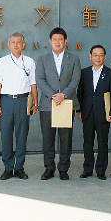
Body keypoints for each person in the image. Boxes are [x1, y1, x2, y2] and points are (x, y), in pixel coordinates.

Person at [0, 33, 38, 180]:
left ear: (23, 45)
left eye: (19, 42)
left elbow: (33, 84)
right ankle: (8, 167)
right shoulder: (2, 62)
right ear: (8, 44)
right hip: (6, 101)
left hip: (23, 101)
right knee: (6, 135)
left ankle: (19, 168)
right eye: (13, 42)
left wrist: (35, 103)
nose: (16, 44)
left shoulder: (29, 61)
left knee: (22, 135)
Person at [36, 27, 81, 181]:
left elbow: (76, 79)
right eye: (54, 39)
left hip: (66, 103)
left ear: (65, 41)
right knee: (48, 138)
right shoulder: (42, 59)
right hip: (48, 105)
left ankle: (63, 169)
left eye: (60, 39)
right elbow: (40, 80)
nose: (57, 42)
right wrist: (53, 95)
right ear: (50, 41)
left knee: (65, 138)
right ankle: (49, 168)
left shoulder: (73, 58)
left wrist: (64, 95)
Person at [77, 45, 111, 180]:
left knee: (102, 142)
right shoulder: (84, 73)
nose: (98, 57)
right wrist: (79, 110)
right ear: (90, 56)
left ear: (105, 57)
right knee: (87, 142)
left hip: (103, 113)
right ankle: (87, 169)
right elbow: (80, 93)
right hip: (87, 112)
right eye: (95, 54)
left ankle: (101, 170)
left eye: (101, 55)